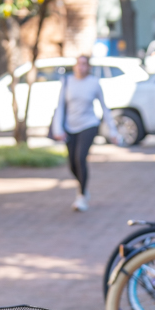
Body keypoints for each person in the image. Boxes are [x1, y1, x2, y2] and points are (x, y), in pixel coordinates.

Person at [52, 55, 120, 212]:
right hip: (70, 127)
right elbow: (60, 106)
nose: (81, 67)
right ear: (75, 66)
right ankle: (82, 186)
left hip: (89, 125)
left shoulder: (94, 83)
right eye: (78, 64)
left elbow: (105, 108)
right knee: (72, 164)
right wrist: (58, 129)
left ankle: (81, 196)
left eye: (84, 64)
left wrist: (113, 131)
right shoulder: (67, 81)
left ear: (88, 67)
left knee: (80, 158)